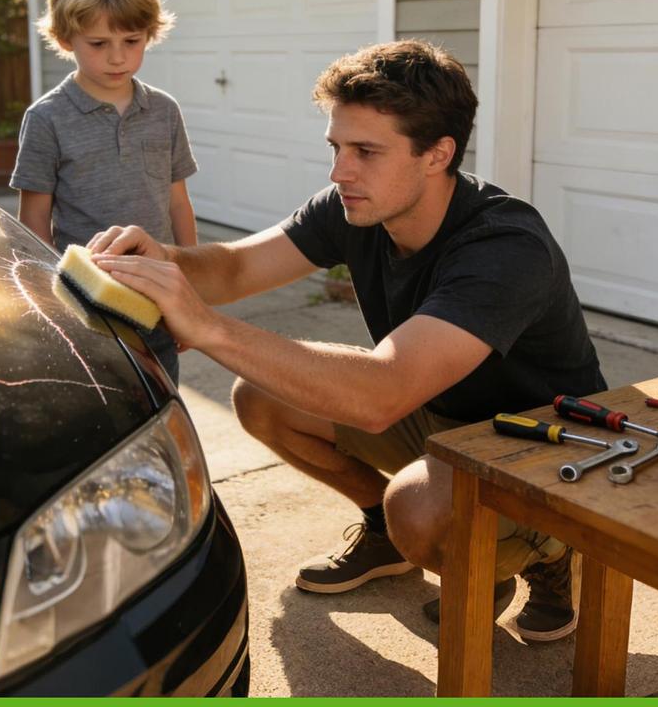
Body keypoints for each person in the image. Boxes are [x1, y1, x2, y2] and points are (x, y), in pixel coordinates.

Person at [88, 40, 605, 640]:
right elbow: (232, 268)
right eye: (337, 147)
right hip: (443, 414)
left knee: (418, 509)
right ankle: (396, 538)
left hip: (547, 441)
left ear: (438, 154)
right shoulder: (354, 205)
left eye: (366, 151)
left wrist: (206, 327)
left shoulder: (505, 248)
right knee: (261, 397)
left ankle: (549, 552)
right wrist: (162, 260)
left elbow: (381, 393)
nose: (340, 171)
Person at [11, 0, 198, 385]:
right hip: (88, 302)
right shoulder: (46, 119)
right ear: (64, 39)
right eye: (99, 44)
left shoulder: (164, 111)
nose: (118, 57)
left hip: (158, 298)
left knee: (162, 393)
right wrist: (50, 299)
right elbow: (34, 218)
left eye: (131, 42)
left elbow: (178, 204)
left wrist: (193, 288)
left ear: (149, 34)